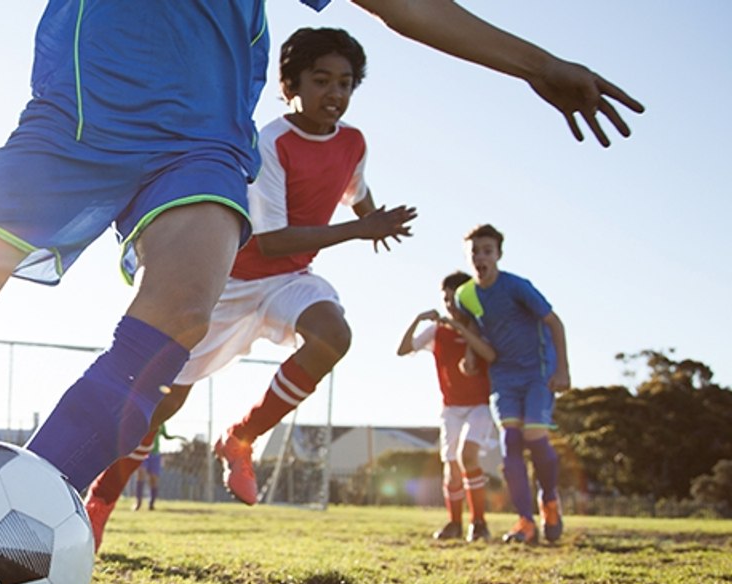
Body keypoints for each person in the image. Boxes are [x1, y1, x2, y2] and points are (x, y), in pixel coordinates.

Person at [0, 0, 641, 503]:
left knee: (178, 309)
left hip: (201, 144)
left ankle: (29, 503)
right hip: (68, 131)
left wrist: (536, 63)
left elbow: (404, 6)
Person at [81, 26, 413, 550]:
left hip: (287, 281)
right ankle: (102, 498)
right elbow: (276, 239)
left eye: (345, 83)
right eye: (321, 80)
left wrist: (375, 218)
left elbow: (356, 189)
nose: (335, 94)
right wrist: (359, 229)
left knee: (333, 335)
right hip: (231, 281)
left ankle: (242, 438)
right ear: (291, 87)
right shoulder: (270, 143)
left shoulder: (354, 142)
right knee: (163, 406)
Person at [455, 224, 569, 544]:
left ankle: (549, 500)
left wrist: (563, 370)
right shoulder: (466, 294)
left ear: (498, 255)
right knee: (511, 442)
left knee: (534, 435)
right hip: (503, 376)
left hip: (537, 372)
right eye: (475, 251)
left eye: (487, 251)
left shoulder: (518, 287)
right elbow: (473, 326)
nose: (480, 257)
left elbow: (554, 322)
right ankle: (525, 521)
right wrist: (470, 356)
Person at [397, 271, 498, 543]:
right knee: (451, 465)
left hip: (479, 405)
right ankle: (454, 523)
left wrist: (465, 333)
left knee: (468, 456)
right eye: (446, 300)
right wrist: (418, 319)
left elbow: (491, 355)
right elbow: (403, 349)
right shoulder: (437, 331)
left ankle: (479, 523)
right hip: (451, 408)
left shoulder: (481, 327)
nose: (451, 305)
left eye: (455, 299)